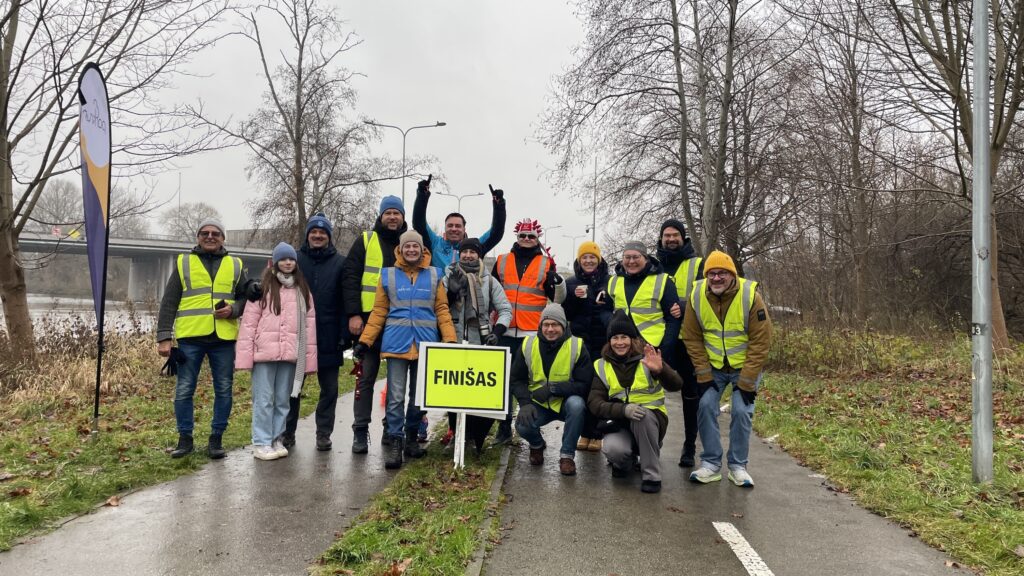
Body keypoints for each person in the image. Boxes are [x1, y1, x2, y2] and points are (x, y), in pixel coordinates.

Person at [352, 230, 457, 469]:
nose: (411, 250)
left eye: (416, 247)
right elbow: (379, 312)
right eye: (407, 246)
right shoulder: (387, 275)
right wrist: (365, 341)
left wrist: (449, 339)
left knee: (419, 398)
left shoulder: (434, 275)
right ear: (401, 249)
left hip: (424, 344)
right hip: (396, 344)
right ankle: (396, 443)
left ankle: (411, 439)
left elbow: (442, 309)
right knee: (396, 397)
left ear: (422, 250)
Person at [156, 219, 251, 459]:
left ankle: (216, 439)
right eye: (204, 233)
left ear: (223, 238)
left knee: (224, 389)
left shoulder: (235, 264)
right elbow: (169, 301)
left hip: (223, 339)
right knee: (184, 390)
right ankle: (185, 439)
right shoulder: (184, 263)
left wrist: (234, 310)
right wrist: (164, 337)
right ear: (198, 237)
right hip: (191, 338)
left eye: (215, 233)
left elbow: (245, 299)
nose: (210, 236)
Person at [682, 250, 772, 487]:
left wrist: (747, 381)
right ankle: (710, 464)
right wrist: (702, 373)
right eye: (712, 273)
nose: (716, 278)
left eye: (722, 273)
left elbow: (761, 341)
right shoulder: (697, 295)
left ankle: (738, 466)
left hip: (744, 366)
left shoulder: (750, 296)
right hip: (712, 367)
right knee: (705, 406)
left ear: (732, 275)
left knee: (742, 411)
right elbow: (691, 336)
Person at [235, 243, 318, 460]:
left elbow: (308, 328)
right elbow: (249, 325)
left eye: (291, 259)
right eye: (283, 259)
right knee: (264, 400)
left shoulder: (303, 291)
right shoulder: (262, 288)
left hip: (290, 356)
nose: (288, 263)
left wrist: (308, 362)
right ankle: (261, 442)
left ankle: (276, 438)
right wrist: (244, 357)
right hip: (264, 354)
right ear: (275, 262)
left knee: (283, 400)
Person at [588, 310, 683, 493]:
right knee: (613, 449)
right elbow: (594, 403)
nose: (620, 342)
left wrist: (660, 371)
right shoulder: (601, 365)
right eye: (615, 338)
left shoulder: (648, 358)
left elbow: (676, 385)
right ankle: (625, 463)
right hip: (621, 422)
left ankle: (651, 475)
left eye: (624, 337)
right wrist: (623, 410)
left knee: (642, 416)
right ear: (609, 341)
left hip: (651, 420)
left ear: (633, 339)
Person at [341, 195, 408, 454]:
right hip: (368, 323)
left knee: (396, 382)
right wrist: (353, 314)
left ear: (403, 217)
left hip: (398, 323)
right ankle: (360, 430)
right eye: (388, 213)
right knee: (365, 379)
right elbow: (350, 276)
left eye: (397, 213)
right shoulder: (366, 240)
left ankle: (391, 430)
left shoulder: (409, 244)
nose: (393, 217)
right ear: (381, 216)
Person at [491, 219, 567, 444]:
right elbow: (490, 292)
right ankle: (503, 428)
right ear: (517, 237)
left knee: (528, 381)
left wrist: (560, 283)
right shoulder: (502, 260)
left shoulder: (546, 263)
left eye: (531, 236)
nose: (526, 240)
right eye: (523, 236)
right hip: (503, 330)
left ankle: (532, 423)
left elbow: (557, 301)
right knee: (502, 382)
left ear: (537, 238)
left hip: (531, 333)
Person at [280, 213, 350, 452]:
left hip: (329, 336)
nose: (318, 236)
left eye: (323, 232)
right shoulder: (295, 261)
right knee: (293, 388)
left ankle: (323, 433)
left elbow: (345, 301)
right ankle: (287, 432)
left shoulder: (341, 263)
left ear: (329, 237)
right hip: (298, 336)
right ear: (308, 235)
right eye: (314, 232)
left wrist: (344, 334)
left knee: (329, 389)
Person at [441, 237, 513, 454]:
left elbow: (505, 309)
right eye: (465, 252)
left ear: (479, 255)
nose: (469, 255)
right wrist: (452, 292)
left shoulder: (489, 281)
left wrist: (498, 332)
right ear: (459, 254)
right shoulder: (447, 277)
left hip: (480, 340)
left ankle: (474, 436)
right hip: (453, 339)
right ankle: (456, 434)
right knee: (453, 392)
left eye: (473, 252)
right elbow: (440, 305)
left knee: (479, 393)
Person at [510, 303, 592, 476]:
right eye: (546, 325)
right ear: (540, 326)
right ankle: (537, 445)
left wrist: (553, 388)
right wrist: (525, 403)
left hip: (565, 403)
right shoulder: (528, 344)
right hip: (538, 403)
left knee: (577, 405)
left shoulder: (577, 346)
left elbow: (584, 384)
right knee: (522, 425)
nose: (550, 329)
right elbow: (517, 379)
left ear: (564, 325)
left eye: (555, 325)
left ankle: (567, 456)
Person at [655, 219, 705, 468]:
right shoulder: (653, 266)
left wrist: (685, 308)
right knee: (649, 393)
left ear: (683, 238)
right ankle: (647, 446)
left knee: (690, 395)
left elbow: (708, 297)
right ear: (661, 238)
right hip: (659, 340)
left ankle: (689, 447)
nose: (671, 239)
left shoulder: (698, 265)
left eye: (675, 235)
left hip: (687, 340)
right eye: (667, 235)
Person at [562, 240, 613, 452]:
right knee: (582, 386)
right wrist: (574, 299)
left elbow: (616, 311)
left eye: (592, 257)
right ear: (579, 260)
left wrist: (605, 303)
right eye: (585, 257)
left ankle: (597, 434)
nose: (589, 260)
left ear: (599, 259)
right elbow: (566, 314)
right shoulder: (571, 282)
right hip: (580, 343)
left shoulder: (610, 282)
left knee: (600, 389)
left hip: (602, 343)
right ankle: (584, 432)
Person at [607, 241, 681, 361]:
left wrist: (665, 349)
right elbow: (605, 310)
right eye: (627, 257)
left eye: (636, 257)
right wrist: (611, 325)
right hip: (622, 347)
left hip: (654, 346)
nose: (631, 261)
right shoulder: (613, 281)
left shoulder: (663, 280)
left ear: (646, 259)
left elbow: (673, 319)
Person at [412, 178, 507, 269]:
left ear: (464, 229)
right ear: (445, 228)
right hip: (439, 286)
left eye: (458, 226)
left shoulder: (474, 246)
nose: (454, 229)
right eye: (450, 225)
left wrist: (499, 206)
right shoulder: (435, 244)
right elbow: (419, 223)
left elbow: (496, 233)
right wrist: (422, 195)